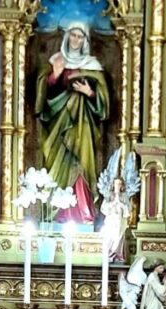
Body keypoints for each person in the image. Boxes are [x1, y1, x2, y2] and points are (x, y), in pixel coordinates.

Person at [35, 22, 110, 224]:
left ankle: (83, 212)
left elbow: (104, 105)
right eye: (73, 35)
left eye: (80, 36)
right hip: (58, 127)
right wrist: (55, 75)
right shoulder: (55, 61)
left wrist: (89, 93)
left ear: (85, 40)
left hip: (83, 126)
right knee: (58, 165)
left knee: (82, 164)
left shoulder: (92, 65)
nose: (76, 40)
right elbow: (43, 98)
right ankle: (56, 214)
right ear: (67, 36)